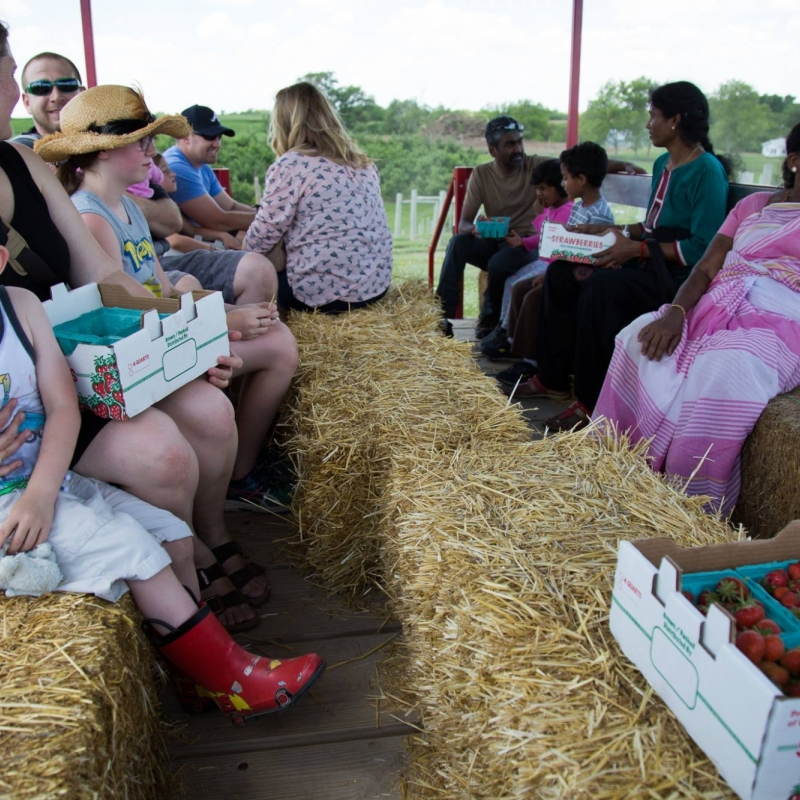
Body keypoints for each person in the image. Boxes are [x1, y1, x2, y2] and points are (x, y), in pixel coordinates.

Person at [0, 28, 261, 634]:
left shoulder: (21, 162)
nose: (17, 92)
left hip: (92, 360)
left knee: (211, 410)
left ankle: (211, 536)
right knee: (163, 453)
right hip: (29, 395)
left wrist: (190, 339)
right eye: (17, 74)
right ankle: (192, 567)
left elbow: (102, 276)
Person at [0, 248, 324, 722]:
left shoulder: (21, 307)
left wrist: (43, 492)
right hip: (12, 503)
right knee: (138, 549)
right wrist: (34, 499)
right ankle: (232, 677)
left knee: (173, 534)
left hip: (47, 482)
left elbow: (63, 406)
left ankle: (194, 675)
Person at [37, 86, 299, 539]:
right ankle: (216, 516)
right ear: (101, 151)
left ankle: (227, 496)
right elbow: (129, 309)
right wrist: (217, 322)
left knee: (275, 343)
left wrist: (211, 306)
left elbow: (158, 282)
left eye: (149, 138)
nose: (150, 150)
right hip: (139, 354)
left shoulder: (128, 208)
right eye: (139, 140)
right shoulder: (92, 218)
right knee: (249, 373)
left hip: (161, 334)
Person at [595, 124, 800, 516]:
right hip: (719, 302)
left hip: (783, 316)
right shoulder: (753, 207)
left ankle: (688, 507)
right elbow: (705, 270)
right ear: (795, 161)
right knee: (637, 335)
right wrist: (675, 313)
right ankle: (610, 466)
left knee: (725, 368)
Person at [517, 81, 731, 431]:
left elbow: (702, 248)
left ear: (674, 120)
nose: (648, 124)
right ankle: (552, 377)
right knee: (562, 275)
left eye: (653, 116)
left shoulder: (707, 171)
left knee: (604, 288)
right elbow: (650, 225)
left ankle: (591, 402)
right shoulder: (664, 162)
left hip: (674, 277)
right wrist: (612, 232)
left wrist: (638, 249)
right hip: (648, 258)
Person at [435, 116, 642, 339]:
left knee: (500, 262)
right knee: (457, 242)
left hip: (528, 243)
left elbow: (579, 166)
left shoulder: (535, 164)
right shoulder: (482, 174)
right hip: (495, 239)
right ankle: (441, 317)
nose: (518, 149)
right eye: (510, 144)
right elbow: (464, 223)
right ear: (492, 149)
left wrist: (623, 165)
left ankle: (490, 321)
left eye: (520, 142)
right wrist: (476, 228)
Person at [243, 81, 393, 314]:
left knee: (249, 270)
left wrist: (238, 247)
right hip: (375, 286)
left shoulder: (292, 164)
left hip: (322, 296)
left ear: (284, 122)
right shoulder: (362, 162)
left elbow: (259, 239)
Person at [498, 141, 615, 386]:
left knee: (533, 298)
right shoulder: (581, 206)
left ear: (581, 179)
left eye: (565, 179)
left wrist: (550, 274)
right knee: (520, 288)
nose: (563, 184)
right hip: (563, 268)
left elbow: (589, 254)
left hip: (582, 275)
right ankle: (519, 352)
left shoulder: (599, 214)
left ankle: (533, 363)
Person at [479, 158, 573, 360]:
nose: (539, 194)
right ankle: (505, 329)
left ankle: (508, 336)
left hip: (554, 264)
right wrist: (524, 242)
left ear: (560, 186)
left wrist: (538, 215)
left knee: (516, 284)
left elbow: (550, 238)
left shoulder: (566, 211)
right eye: (537, 188)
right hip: (545, 261)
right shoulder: (553, 208)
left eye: (544, 188)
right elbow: (541, 238)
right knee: (512, 281)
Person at [163, 105, 259, 251]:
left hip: (204, 238)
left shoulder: (201, 165)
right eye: (209, 136)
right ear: (185, 137)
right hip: (183, 249)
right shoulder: (177, 168)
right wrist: (271, 219)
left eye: (219, 137)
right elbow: (218, 221)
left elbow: (230, 206)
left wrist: (263, 213)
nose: (217, 143)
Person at [10, 51, 84, 148]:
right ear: (27, 102)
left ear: (83, 94)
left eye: (66, 85)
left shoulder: (107, 148)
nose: (56, 97)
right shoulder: (13, 156)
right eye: (41, 88)